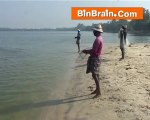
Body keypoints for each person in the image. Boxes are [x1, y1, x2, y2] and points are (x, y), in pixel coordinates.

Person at [82, 24, 103, 98]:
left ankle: (99, 92)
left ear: (97, 31)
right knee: (96, 74)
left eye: (94, 31)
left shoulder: (97, 39)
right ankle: (97, 90)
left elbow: (94, 50)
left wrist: (86, 51)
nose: (93, 32)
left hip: (95, 58)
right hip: (97, 57)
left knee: (94, 74)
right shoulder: (100, 38)